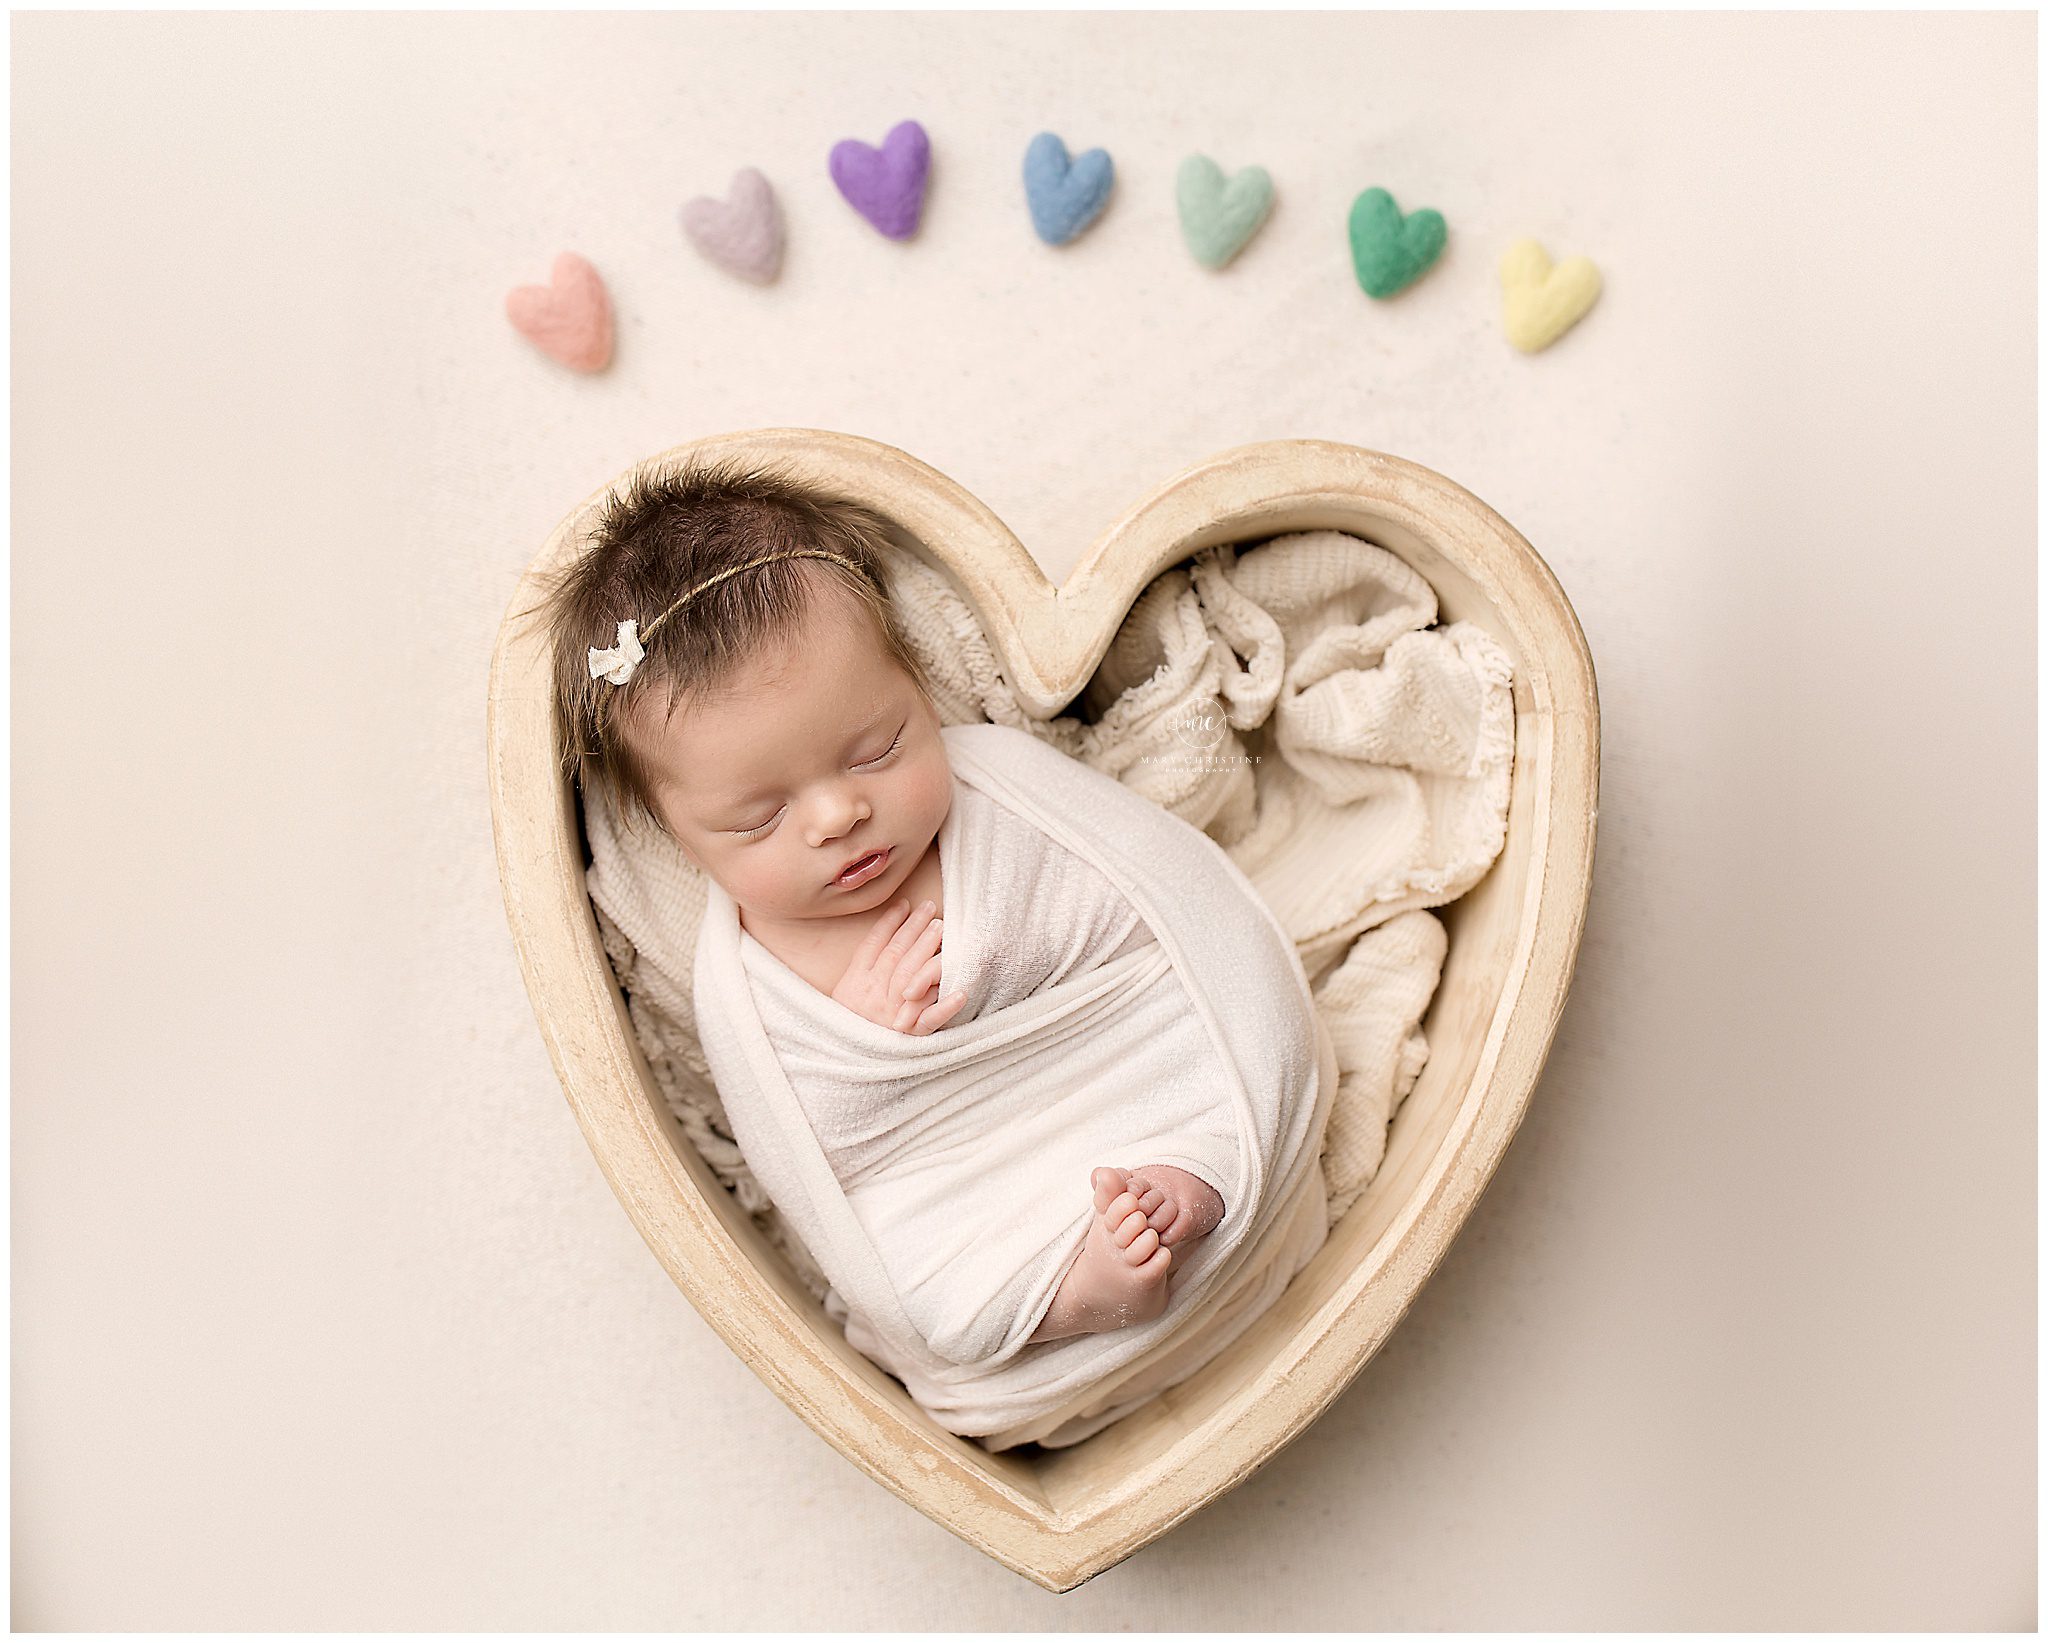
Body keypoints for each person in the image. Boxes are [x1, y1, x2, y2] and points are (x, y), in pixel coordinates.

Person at [536, 459, 1229, 1344]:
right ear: (677, 836)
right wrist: (861, 1051)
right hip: (961, 1192)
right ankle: (1072, 1298)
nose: (837, 815)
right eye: (758, 817)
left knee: (1211, 1121)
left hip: (1128, 1076)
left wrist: (1008, 959)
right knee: (933, 1297)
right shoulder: (747, 981)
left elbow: (1154, 914)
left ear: (917, 685)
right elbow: (802, 1151)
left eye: (876, 749)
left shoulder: (1006, 801)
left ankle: (1191, 1189)